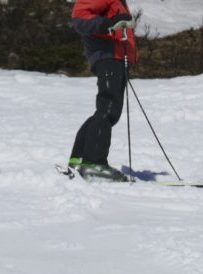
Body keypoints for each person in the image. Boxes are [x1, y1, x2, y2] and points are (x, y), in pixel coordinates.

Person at [67, 0, 137, 182]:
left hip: (115, 57)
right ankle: (94, 164)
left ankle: (79, 159)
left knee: (106, 110)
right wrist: (109, 24)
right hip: (108, 55)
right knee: (108, 110)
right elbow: (79, 18)